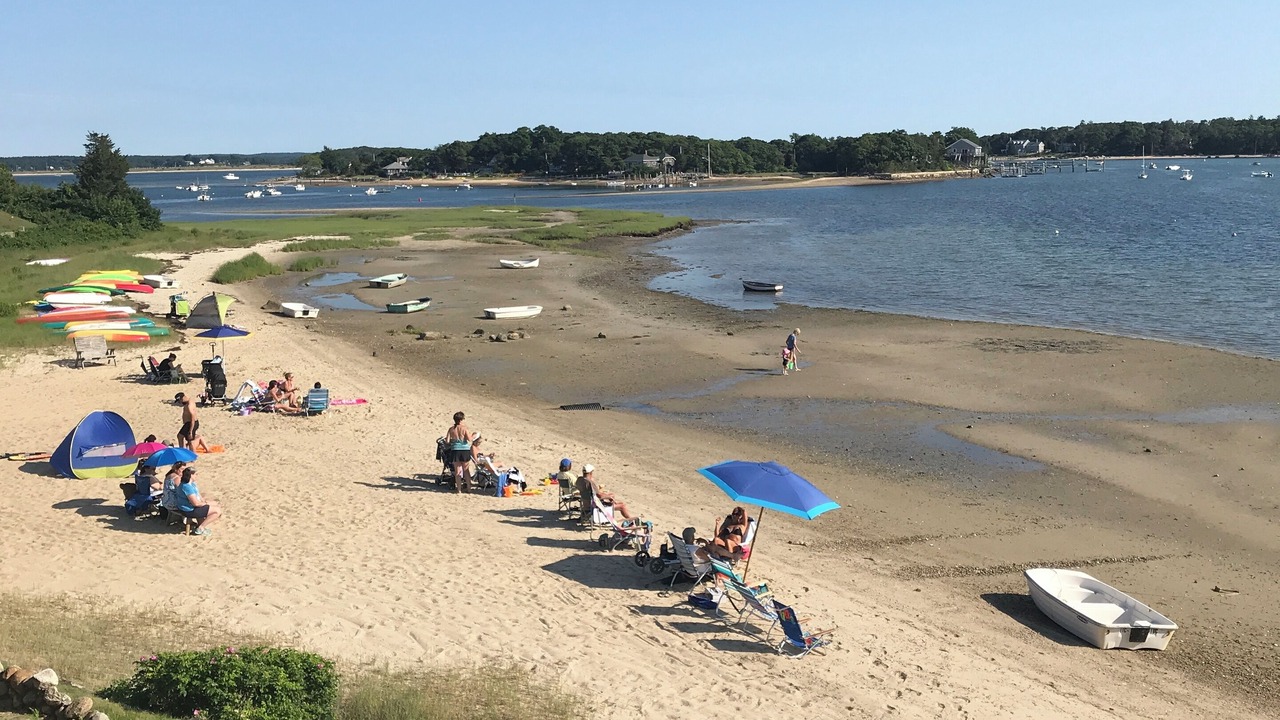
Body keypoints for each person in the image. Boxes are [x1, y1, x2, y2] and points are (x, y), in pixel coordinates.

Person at [177, 466, 222, 536]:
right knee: (217, 511)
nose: (197, 476)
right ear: (191, 475)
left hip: (192, 506)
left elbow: (199, 497)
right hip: (188, 510)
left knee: (215, 505)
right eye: (196, 474)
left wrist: (206, 502)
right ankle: (201, 527)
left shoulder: (192, 484)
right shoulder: (186, 487)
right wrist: (207, 503)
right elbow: (196, 503)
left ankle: (200, 525)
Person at [445, 411, 473, 493]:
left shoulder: (451, 429)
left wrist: (454, 441)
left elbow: (447, 441)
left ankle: (459, 490)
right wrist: (473, 435)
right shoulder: (464, 428)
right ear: (461, 420)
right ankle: (469, 489)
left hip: (455, 450)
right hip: (464, 450)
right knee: (466, 470)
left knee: (457, 471)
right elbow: (469, 439)